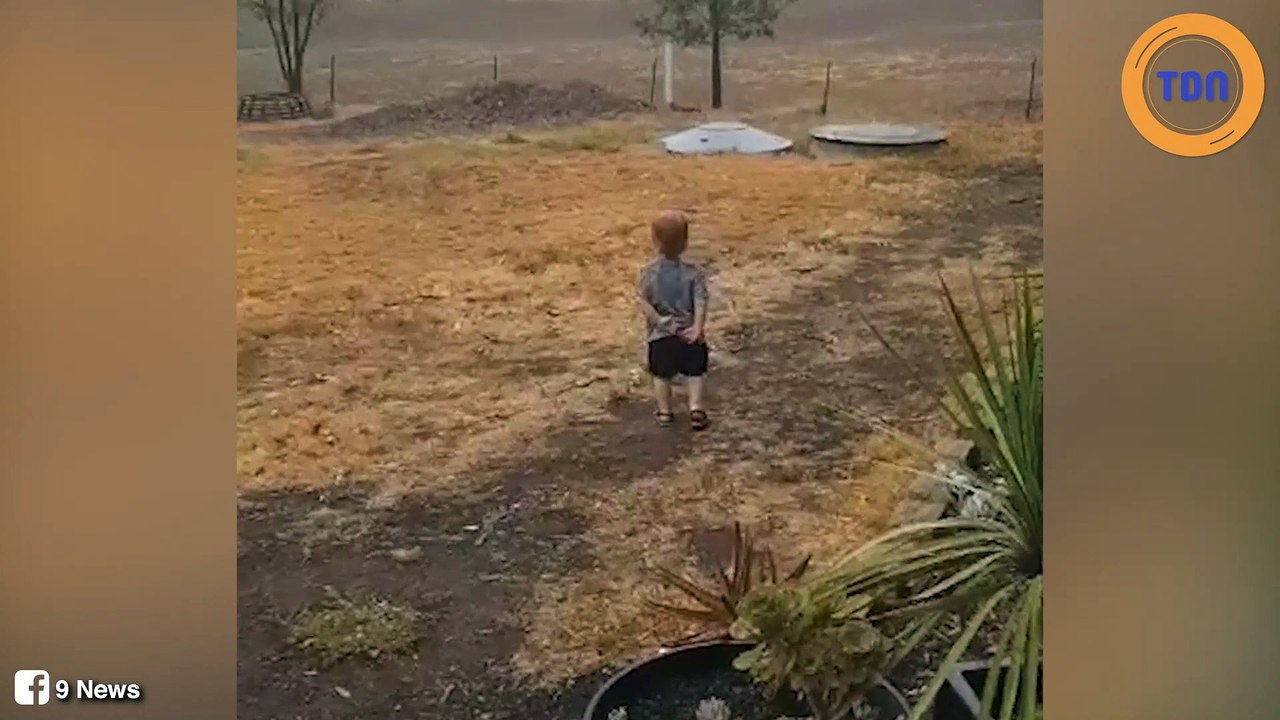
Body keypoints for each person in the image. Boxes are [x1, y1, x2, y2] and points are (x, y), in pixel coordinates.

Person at [635, 211, 711, 430]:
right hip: (689, 333)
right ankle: (695, 407)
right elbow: (701, 300)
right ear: (685, 242)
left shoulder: (649, 273)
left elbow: (644, 302)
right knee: (695, 372)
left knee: (661, 375)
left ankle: (664, 411)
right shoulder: (693, 272)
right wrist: (697, 327)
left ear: (655, 241)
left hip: (661, 335)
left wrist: (660, 321)